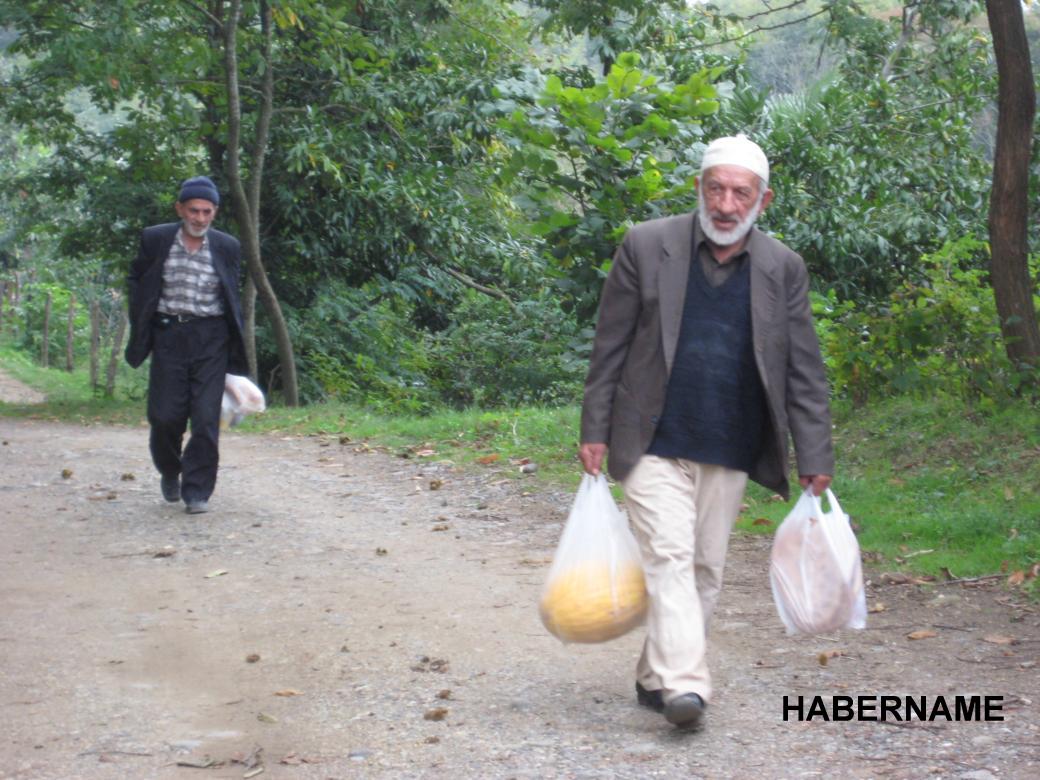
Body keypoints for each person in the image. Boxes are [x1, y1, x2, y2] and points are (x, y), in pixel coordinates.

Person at [578, 134, 834, 730]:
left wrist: (814, 452)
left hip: (730, 442)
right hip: (650, 438)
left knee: (704, 572)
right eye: (715, 188)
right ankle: (688, 687)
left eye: (739, 193)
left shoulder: (781, 268)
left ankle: (655, 675)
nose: (725, 203)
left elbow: (803, 369)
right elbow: (609, 347)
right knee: (669, 556)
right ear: (698, 188)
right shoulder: (647, 246)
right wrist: (593, 429)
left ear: (762, 201)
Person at [125, 176, 248, 514]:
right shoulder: (156, 239)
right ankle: (170, 469)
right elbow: (136, 277)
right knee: (165, 416)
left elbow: (231, 295)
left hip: (211, 339)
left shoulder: (227, 246)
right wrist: (142, 313)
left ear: (215, 212)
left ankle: (197, 492)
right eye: (193, 210)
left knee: (207, 421)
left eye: (207, 211)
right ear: (180, 209)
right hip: (169, 336)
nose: (200, 218)